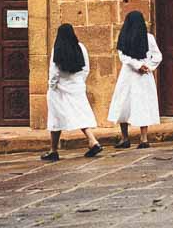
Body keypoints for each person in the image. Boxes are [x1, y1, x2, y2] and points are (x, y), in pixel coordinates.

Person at [42, 22, 102, 161]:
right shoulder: (81, 47)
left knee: (55, 117)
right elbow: (86, 68)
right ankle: (92, 141)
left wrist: (51, 86)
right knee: (80, 114)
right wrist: (79, 81)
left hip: (60, 89)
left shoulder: (58, 48)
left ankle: (53, 150)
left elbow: (54, 72)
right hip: (77, 87)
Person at [108, 10, 162, 149]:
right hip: (142, 76)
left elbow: (123, 57)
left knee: (124, 104)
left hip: (129, 75)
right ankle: (142, 138)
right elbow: (157, 56)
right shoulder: (148, 37)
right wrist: (146, 67)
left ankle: (126, 137)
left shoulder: (124, 37)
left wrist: (141, 66)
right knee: (135, 104)